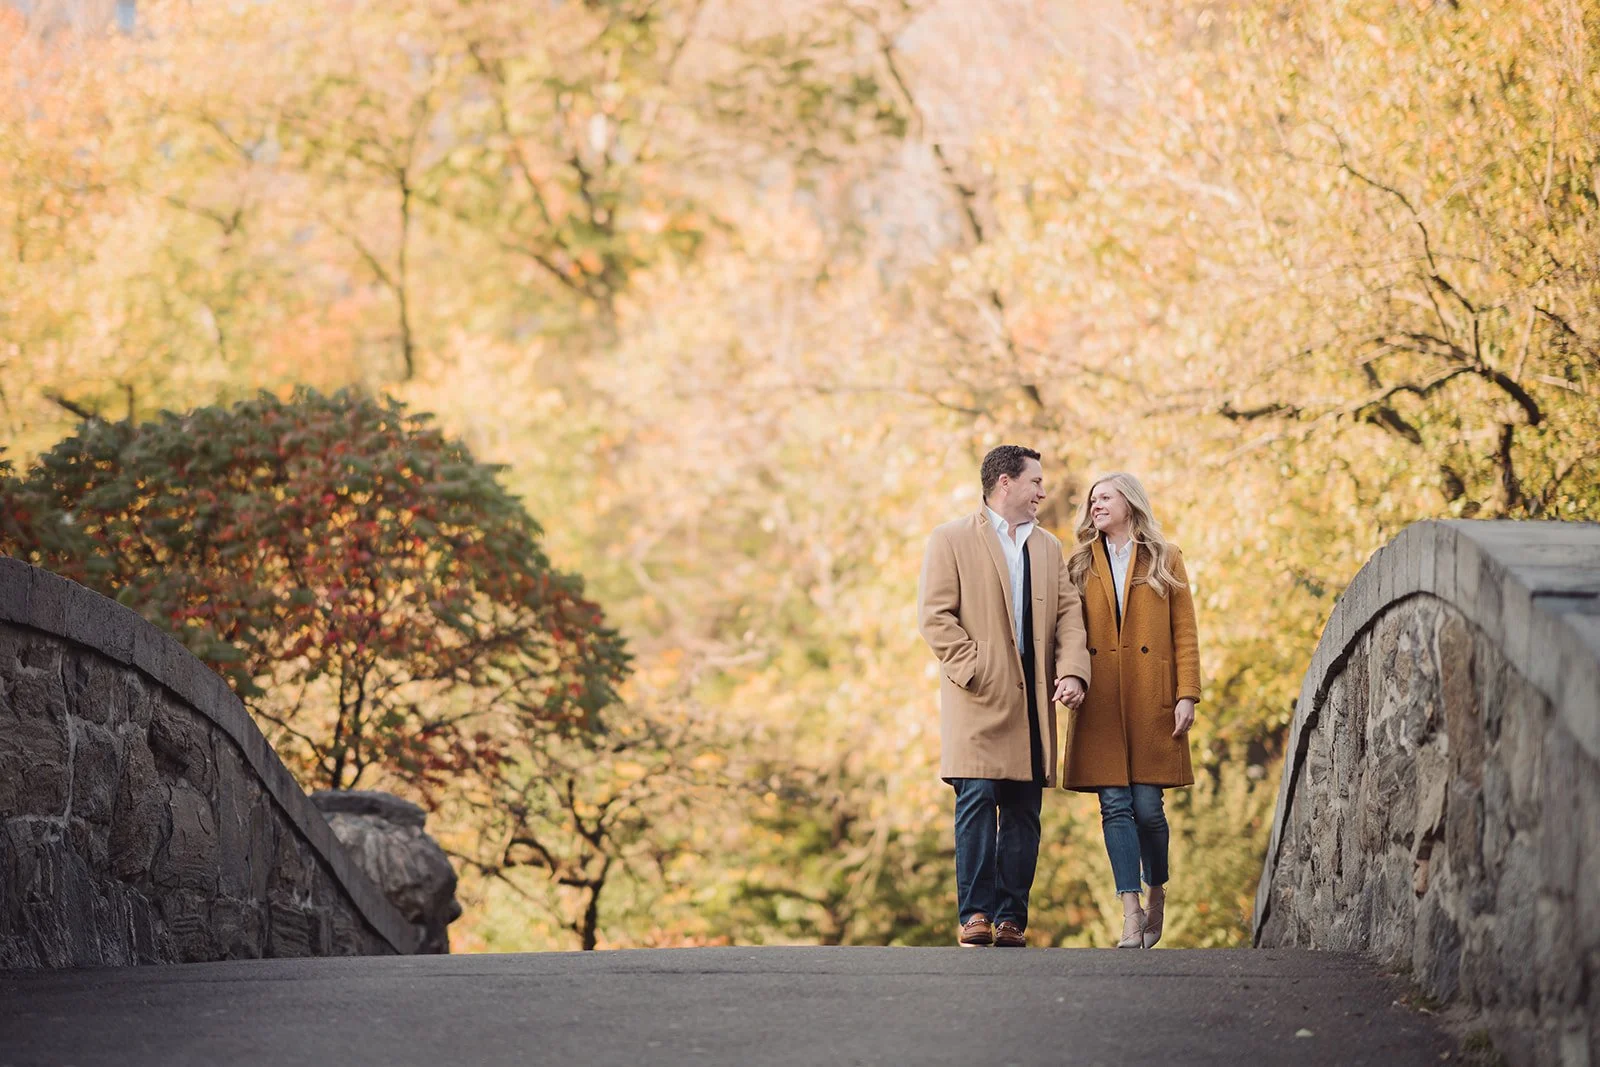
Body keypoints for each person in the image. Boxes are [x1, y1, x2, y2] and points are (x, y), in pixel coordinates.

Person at [918, 445, 1091, 948]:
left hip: (1034, 700)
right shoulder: (949, 538)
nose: (1043, 491)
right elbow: (934, 617)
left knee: (1022, 808)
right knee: (976, 798)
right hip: (975, 696)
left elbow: (1069, 619)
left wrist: (1073, 673)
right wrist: (979, 669)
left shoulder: (1048, 548)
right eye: (1036, 481)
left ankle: (1012, 917)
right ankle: (974, 913)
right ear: (1004, 483)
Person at [1061, 472, 1200, 948]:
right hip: (1100, 699)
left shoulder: (1166, 557)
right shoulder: (1079, 563)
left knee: (1148, 809)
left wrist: (1187, 693)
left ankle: (1156, 887)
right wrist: (1069, 674)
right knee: (1114, 806)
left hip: (1149, 698)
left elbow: (1185, 632)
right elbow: (1068, 631)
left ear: (1129, 502)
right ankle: (1130, 911)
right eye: (1092, 499)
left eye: (1105, 497)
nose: (1095, 504)